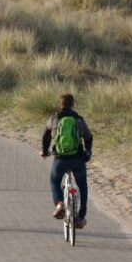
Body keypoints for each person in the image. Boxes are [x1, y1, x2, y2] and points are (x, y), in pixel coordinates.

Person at [40, 94, 93, 229]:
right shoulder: (79, 120)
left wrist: (45, 151)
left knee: (54, 181)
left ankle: (59, 204)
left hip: (60, 159)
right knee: (82, 185)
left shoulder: (54, 119)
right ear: (72, 104)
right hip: (77, 159)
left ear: (61, 104)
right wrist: (87, 152)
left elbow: (46, 136)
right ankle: (80, 217)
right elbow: (88, 137)